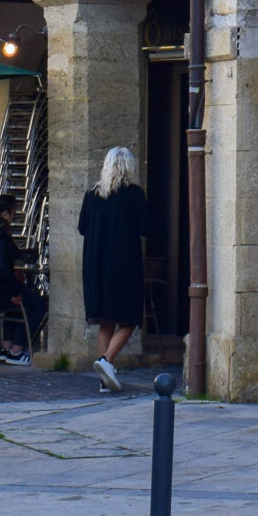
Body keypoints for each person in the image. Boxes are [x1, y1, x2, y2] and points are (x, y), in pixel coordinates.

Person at [76, 147, 147, 394]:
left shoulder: (92, 195)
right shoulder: (133, 194)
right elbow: (145, 227)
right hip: (124, 265)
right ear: (129, 167)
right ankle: (106, 362)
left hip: (96, 265)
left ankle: (104, 378)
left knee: (105, 322)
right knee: (129, 319)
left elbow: (82, 227)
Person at [0, 193, 32, 364]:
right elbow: (1, 269)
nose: (14, 217)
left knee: (16, 305)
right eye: (13, 213)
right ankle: (17, 350)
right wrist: (16, 290)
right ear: (5, 214)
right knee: (36, 304)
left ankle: (7, 346)